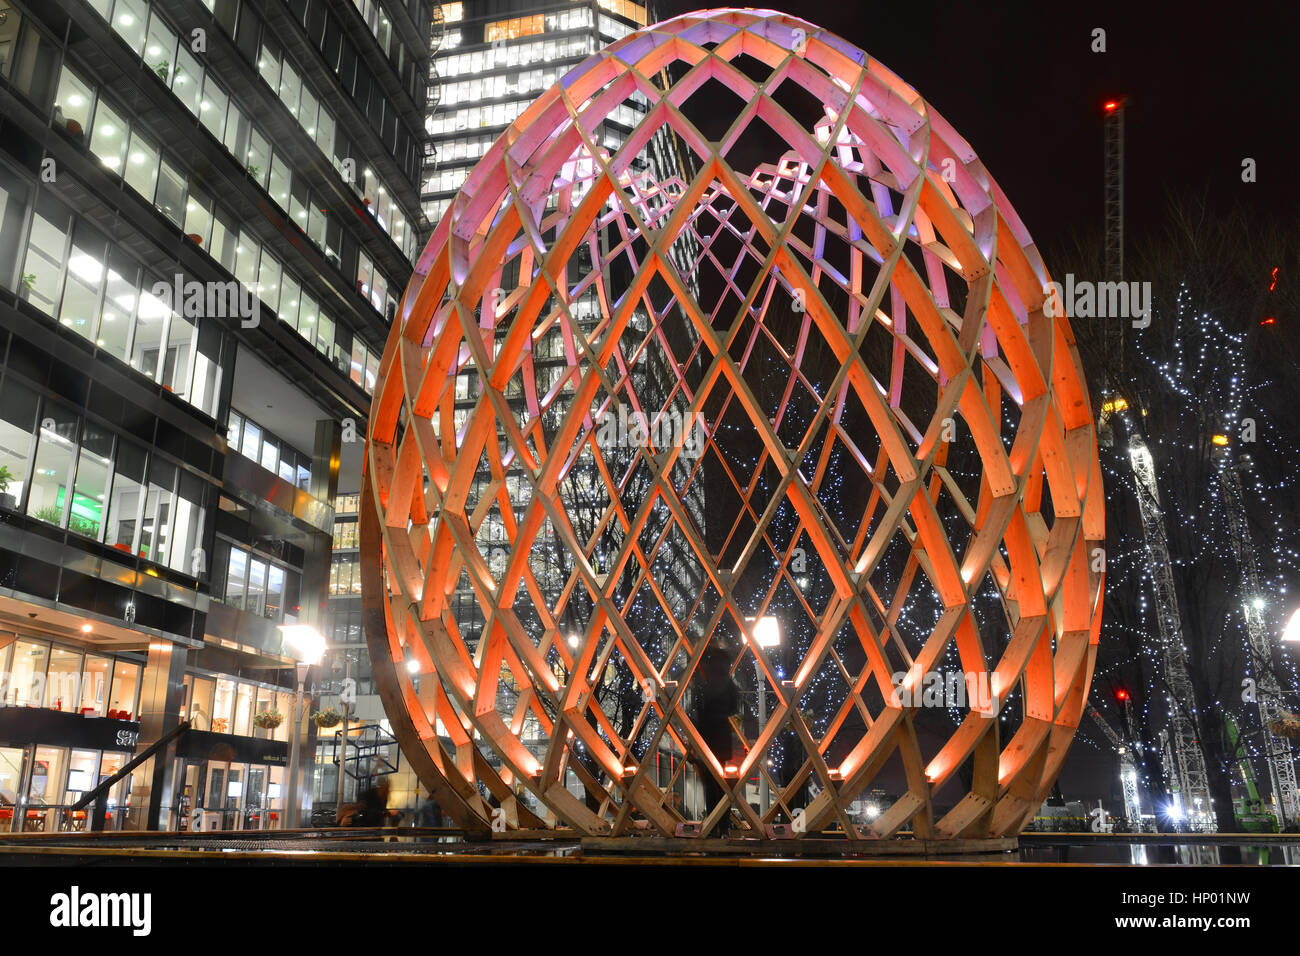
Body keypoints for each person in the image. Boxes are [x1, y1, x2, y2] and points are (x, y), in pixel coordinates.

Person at [691, 643, 741, 835]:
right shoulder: (728, 684)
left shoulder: (705, 684)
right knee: (723, 787)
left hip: (706, 738)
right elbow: (734, 707)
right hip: (721, 739)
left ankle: (713, 825)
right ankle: (723, 826)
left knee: (710, 786)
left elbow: (697, 709)